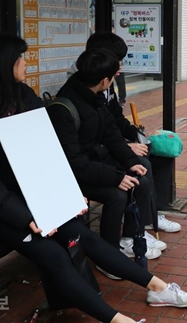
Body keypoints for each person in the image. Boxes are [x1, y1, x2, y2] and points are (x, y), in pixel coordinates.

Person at [0, 32, 187, 323]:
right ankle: (118, 320)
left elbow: (47, 152)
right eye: (21, 58)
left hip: (31, 197)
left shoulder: (23, 98)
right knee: (53, 254)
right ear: (4, 64)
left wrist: (65, 195)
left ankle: (158, 287)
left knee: (81, 235)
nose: (26, 64)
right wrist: (26, 216)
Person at [48, 48, 164, 264]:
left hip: (93, 164)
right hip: (74, 173)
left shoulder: (95, 97)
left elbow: (112, 135)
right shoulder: (64, 108)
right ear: (104, 80)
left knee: (141, 177)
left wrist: (130, 162)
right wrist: (116, 177)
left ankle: (130, 237)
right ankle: (109, 256)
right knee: (118, 195)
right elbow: (74, 162)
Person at [83, 32, 181, 235]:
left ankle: (152, 213)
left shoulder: (105, 84)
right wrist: (128, 147)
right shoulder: (87, 87)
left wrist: (136, 134)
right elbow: (93, 138)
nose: (120, 66)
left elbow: (114, 119)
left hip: (107, 147)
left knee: (157, 152)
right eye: (117, 60)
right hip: (95, 157)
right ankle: (141, 224)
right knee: (142, 164)